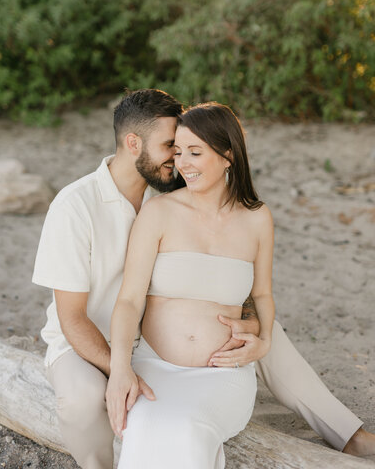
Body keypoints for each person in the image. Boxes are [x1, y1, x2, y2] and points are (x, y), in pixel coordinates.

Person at [32, 89, 374, 469]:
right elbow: (75, 317)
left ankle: (348, 435)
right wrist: (122, 369)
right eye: (171, 147)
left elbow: (242, 285)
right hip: (95, 339)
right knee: (84, 399)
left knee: (266, 329)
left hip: (150, 340)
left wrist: (258, 334)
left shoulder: (169, 190)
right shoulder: (77, 205)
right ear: (134, 144)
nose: (178, 161)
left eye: (186, 150)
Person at [107, 102, 274, 468]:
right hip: (154, 368)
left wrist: (263, 343)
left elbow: (261, 294)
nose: (183, 163)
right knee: (147, 427)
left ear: (228, 154)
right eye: (178, 152)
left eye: (195, 152)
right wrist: (121, 369)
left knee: (187, 428)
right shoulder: (159, 212)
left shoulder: (257, 219)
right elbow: (130, 301)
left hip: (222, 377)